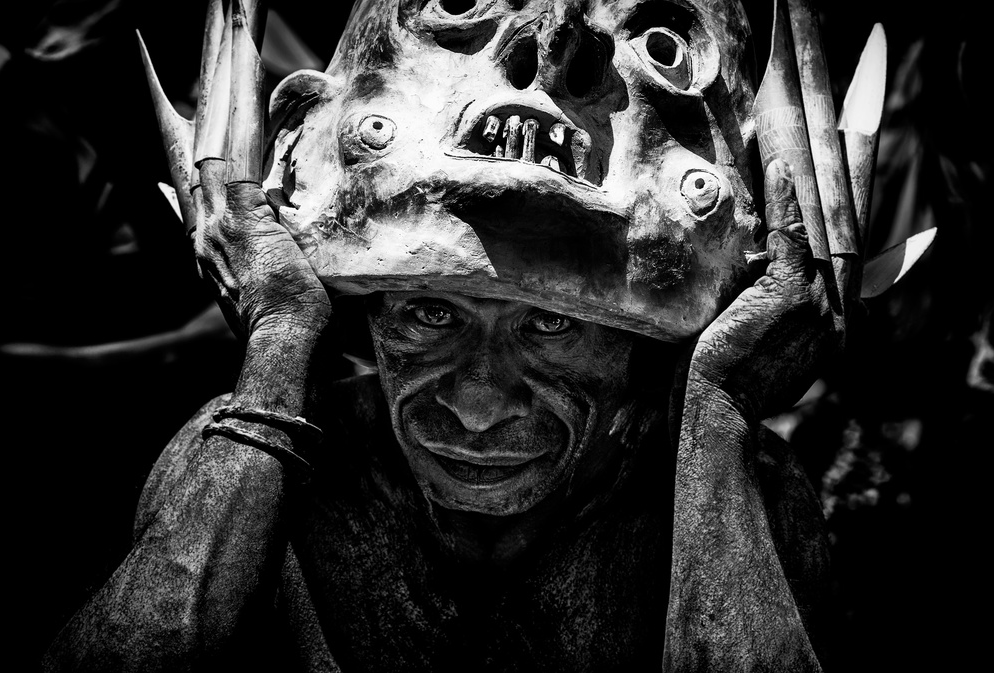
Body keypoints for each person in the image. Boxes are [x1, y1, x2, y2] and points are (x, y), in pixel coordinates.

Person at [45, 1, 839, 670]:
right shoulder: (253, 469)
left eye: (552, 324)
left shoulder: (729, 489)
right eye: (431, 314)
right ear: (374, 315)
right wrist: (282, 335)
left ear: (638, 353)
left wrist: (720, 410)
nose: (478, 405)